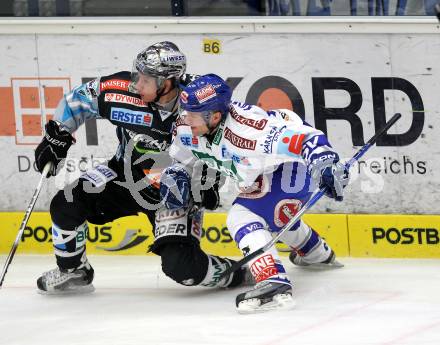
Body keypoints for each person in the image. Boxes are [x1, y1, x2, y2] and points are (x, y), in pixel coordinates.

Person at [34, 42, 248, 294]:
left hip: (175, 193)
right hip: (123, 175)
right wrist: (57, 136)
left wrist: (210, 178)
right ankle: (74, 271)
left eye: (145, 79)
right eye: (136, 75)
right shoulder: (120, 91)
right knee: (64, 205)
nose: (136, 84)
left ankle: (238, 273)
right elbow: (77, 101)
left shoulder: (200, 98)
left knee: (182, 268)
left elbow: (232, 136)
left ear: (166, 83)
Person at [161, 73, 349, 313]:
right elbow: (184, 157)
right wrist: (178, 173)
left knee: (243, 216)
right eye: (185, 111)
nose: (186, 119)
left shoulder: (248, 130)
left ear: (215, 116)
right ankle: (317, 254)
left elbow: (306, 139)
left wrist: (325, 162)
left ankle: (273, 280)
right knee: (274, 216)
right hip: (265, 171)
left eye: (193, 114)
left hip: (294, 165)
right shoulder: (187, 127)